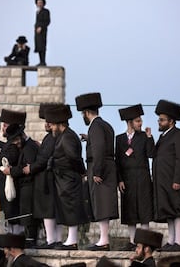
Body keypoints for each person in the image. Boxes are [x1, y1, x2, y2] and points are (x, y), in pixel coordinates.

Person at [75, 92, 119, 251]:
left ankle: (104, 241)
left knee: (101, 204)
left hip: (99, 167)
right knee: (103, 204)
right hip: (106, 165)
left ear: (86, 113)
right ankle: (103, 239)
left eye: (82, 114)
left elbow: (99, 149)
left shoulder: (95, 126)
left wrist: (97, 172)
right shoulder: (105, 125)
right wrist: (89, 138)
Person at [44, 104, 88, 250]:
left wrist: (82, 172)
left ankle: (72, 240)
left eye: (52, 124)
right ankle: (70, 239)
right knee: (67, 208)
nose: (50, 127)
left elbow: (74, 157)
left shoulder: (68, 136)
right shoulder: (63, 136)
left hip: (69, 178)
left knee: (71, 207)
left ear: (59, 123)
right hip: (64, 178)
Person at [116, 104, 154, 251]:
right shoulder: (119, 139)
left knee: (144, 212)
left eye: (141, 120)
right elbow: (117, 161)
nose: (141, 123)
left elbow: (151, 154)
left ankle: (143, 241)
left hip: (143, 178)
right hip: (127, 180)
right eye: (138, 121)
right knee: (130, 211)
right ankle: (132, 241)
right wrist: (119, 179)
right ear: (130, 122)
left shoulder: (144, 137)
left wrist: (150, 138)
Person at [152, 100, 180, 252]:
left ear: (171, 121)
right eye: (159, 119)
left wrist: (178, 179)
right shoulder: (162, 137)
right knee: (168, 210)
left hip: (174, 180)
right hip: (162, 181)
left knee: (177, 209)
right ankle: (171, 240)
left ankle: (178, 242)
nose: (159, 122)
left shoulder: (179, 134)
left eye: (162, 119)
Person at [23, 103, 61, 249]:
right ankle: (54, 240)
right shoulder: (50, 138)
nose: (46, 124)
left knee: (48, 211)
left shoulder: (51, 138)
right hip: (48, 179)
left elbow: (43, 159)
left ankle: (51, 240)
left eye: (48, 122)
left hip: (46, 180)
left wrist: (30, 168)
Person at [34, 0, 50, 66]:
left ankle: (43, 61)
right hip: (37, 31)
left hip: (42, 31)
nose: (39, 4)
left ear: (43, 3)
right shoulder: (37, 11)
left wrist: (41, 27)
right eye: (38, 3)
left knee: (42, 46)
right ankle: (40, 61)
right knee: (38, 46)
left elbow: (47, 21)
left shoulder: (46, 11)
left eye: (40, 2)